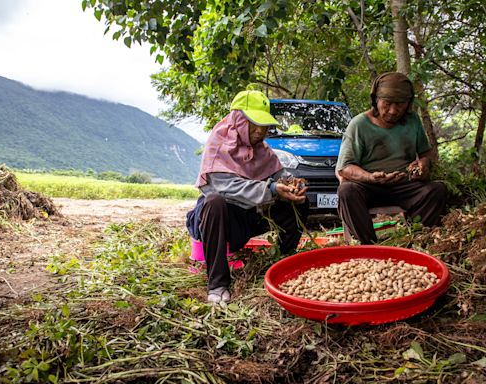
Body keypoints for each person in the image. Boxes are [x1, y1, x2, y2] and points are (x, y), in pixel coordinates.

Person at [186, 90, 309, 304]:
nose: (261, 131)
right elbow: (224, 188)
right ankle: (218, 284)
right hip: (220, 221)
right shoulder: (219, 145)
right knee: (214, 202)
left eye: (264, 125)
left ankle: (282, 261)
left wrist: (294, 184)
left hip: (250, 217)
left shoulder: (261, 149)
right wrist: (270, 189)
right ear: (239, 120)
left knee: (299, 204)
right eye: (255, 124)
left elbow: (280, 176)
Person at [336, 72, 446, 244]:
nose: (393, 111)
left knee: (436, 190)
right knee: (347, 191)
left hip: (404, 185)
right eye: (387, 104)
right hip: (368, 187)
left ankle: (418, 242)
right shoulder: (359, 125)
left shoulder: (413, 121)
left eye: (400, 104)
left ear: (408, 104)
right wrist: (371, 177)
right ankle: (368, 247)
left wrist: (423, 164)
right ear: (376, 100)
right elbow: (345, 168)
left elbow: (425, 153)